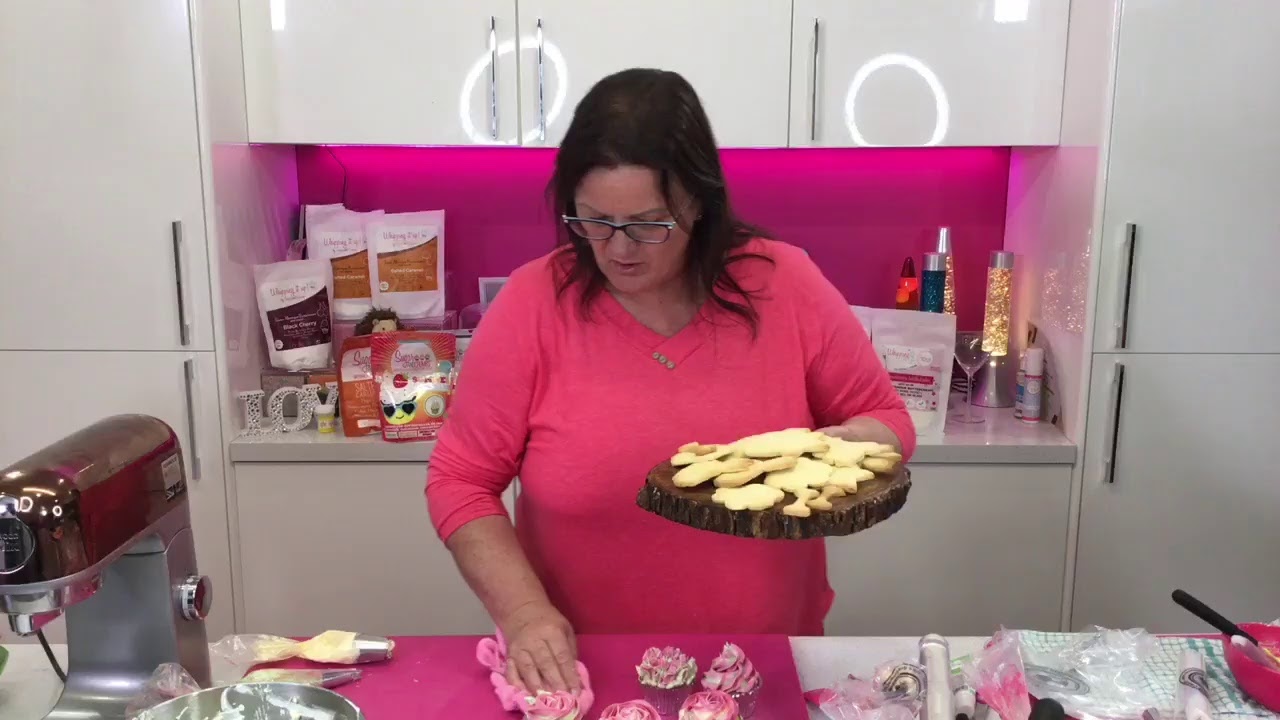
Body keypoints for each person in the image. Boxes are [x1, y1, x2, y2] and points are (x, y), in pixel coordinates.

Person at [426, 69, 913, 695]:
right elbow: (461, 480)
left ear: (699, 203)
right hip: (586, 672)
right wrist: (523, 614)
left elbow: (886, 420)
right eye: (594, 221)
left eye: (648, 224)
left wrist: (831, 452)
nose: (618, 249)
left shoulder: (784, 284)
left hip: (762, 669)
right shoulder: (531, 305)